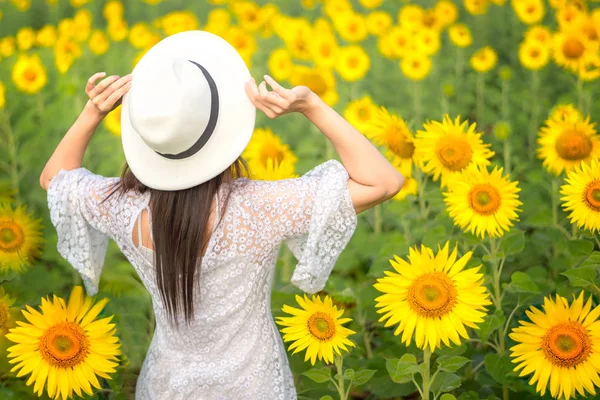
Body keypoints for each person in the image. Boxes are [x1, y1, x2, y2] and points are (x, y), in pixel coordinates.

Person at [39, 31, 404, 400]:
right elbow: (383, 182)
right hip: (253, 386)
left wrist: (92, 112)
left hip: (167, 386)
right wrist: (312, 105)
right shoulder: (258, 208)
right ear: (223, 125)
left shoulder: (124, 208)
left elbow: (54, 179)